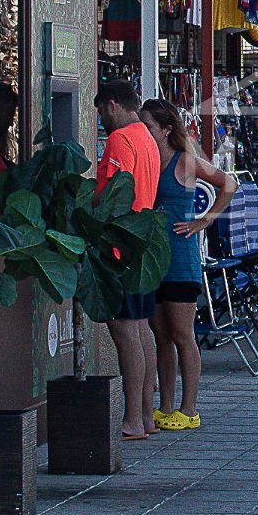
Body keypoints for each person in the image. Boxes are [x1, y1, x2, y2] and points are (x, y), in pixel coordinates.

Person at [139, 98, 236, 433]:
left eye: (149, 126)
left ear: (166, 130)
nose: (144, 132)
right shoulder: (146, 160)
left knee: (182, 334)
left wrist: (204, 220)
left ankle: (189, 409)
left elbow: (229, 183)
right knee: (161, 335)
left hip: (181, 260)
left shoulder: (184, 161)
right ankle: (166, 406)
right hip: (153, 260)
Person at [94, 81, 162, 440]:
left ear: (113, 105)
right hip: (141, 244)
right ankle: (146, 416)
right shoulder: (147, 139)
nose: (101, 120)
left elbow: (111, 195)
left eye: (101, 112)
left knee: (124, 333)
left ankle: (132, 418)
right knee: (141, 328)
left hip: (119, 246)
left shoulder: (120, 139)